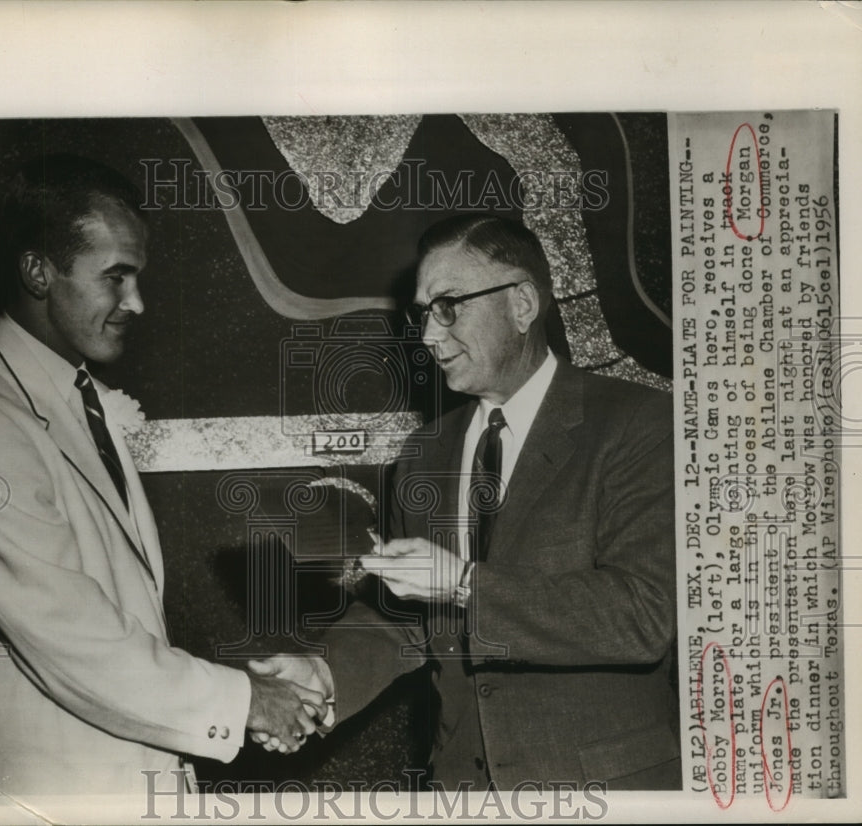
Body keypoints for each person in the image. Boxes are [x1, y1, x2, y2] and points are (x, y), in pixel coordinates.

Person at [0, 154, 325, 795]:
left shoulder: (74, 398)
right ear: (37, 272)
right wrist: (244, 702)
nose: (137, 301)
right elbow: (74, 640)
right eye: (117, 277)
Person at [251, 214, 679, 790]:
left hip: (604, 790)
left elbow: (643, 615)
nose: (429, 334)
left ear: (522, 304)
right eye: (423, 312)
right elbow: (404, 618)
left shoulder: (638, 424)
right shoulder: (424, 452)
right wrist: (324, 674)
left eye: (449, 305)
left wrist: (464, 585)